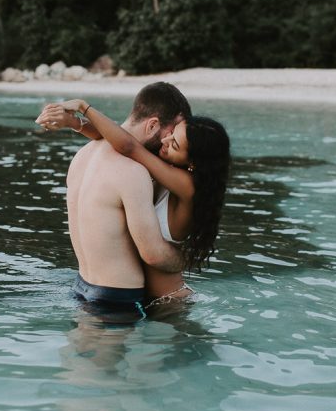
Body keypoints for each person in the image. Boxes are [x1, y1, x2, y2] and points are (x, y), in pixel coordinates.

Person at [36, 85, 230, 311]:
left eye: (174, 142)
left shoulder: (186, 184)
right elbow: (121, 140)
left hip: (169, 301)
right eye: (169, 135)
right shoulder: (166, 168)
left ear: (193, 162)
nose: (166, 142)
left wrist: (84, 108)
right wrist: (75, 123)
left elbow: (129, 146)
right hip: (140, 299)